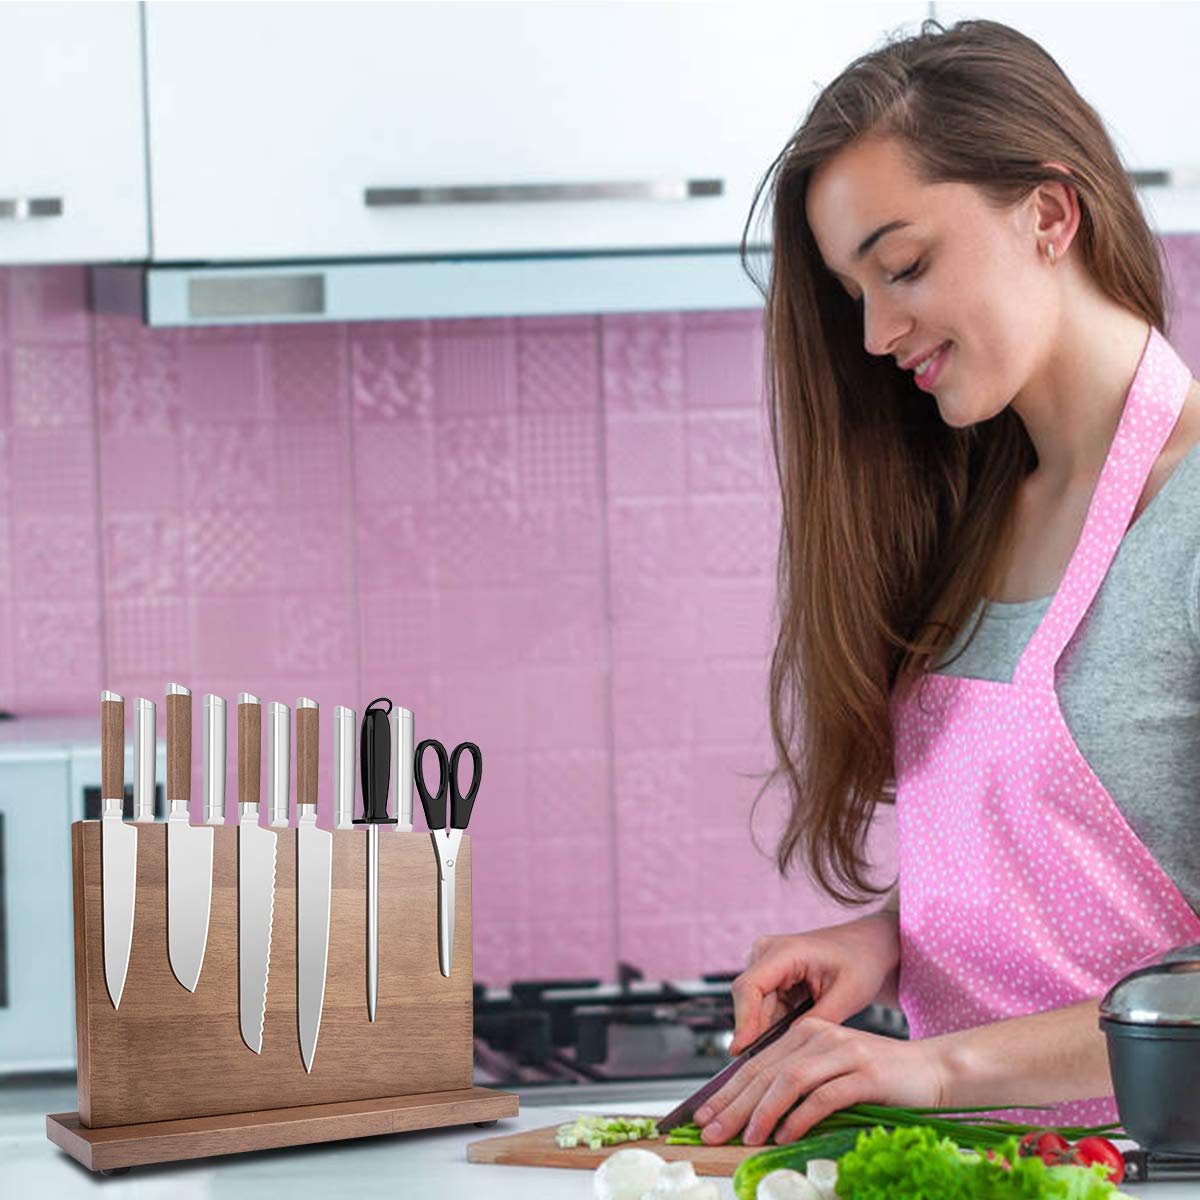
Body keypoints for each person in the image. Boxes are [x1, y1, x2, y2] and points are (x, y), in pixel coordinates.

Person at [696, 17, 1200, 1148]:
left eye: (906, 266)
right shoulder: (978, 510)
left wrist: (933, 1068)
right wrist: (895, 936)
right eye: (852, 292)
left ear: (1051, 214)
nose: (875, 333)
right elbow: (1067, 895)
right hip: (978, 1170)